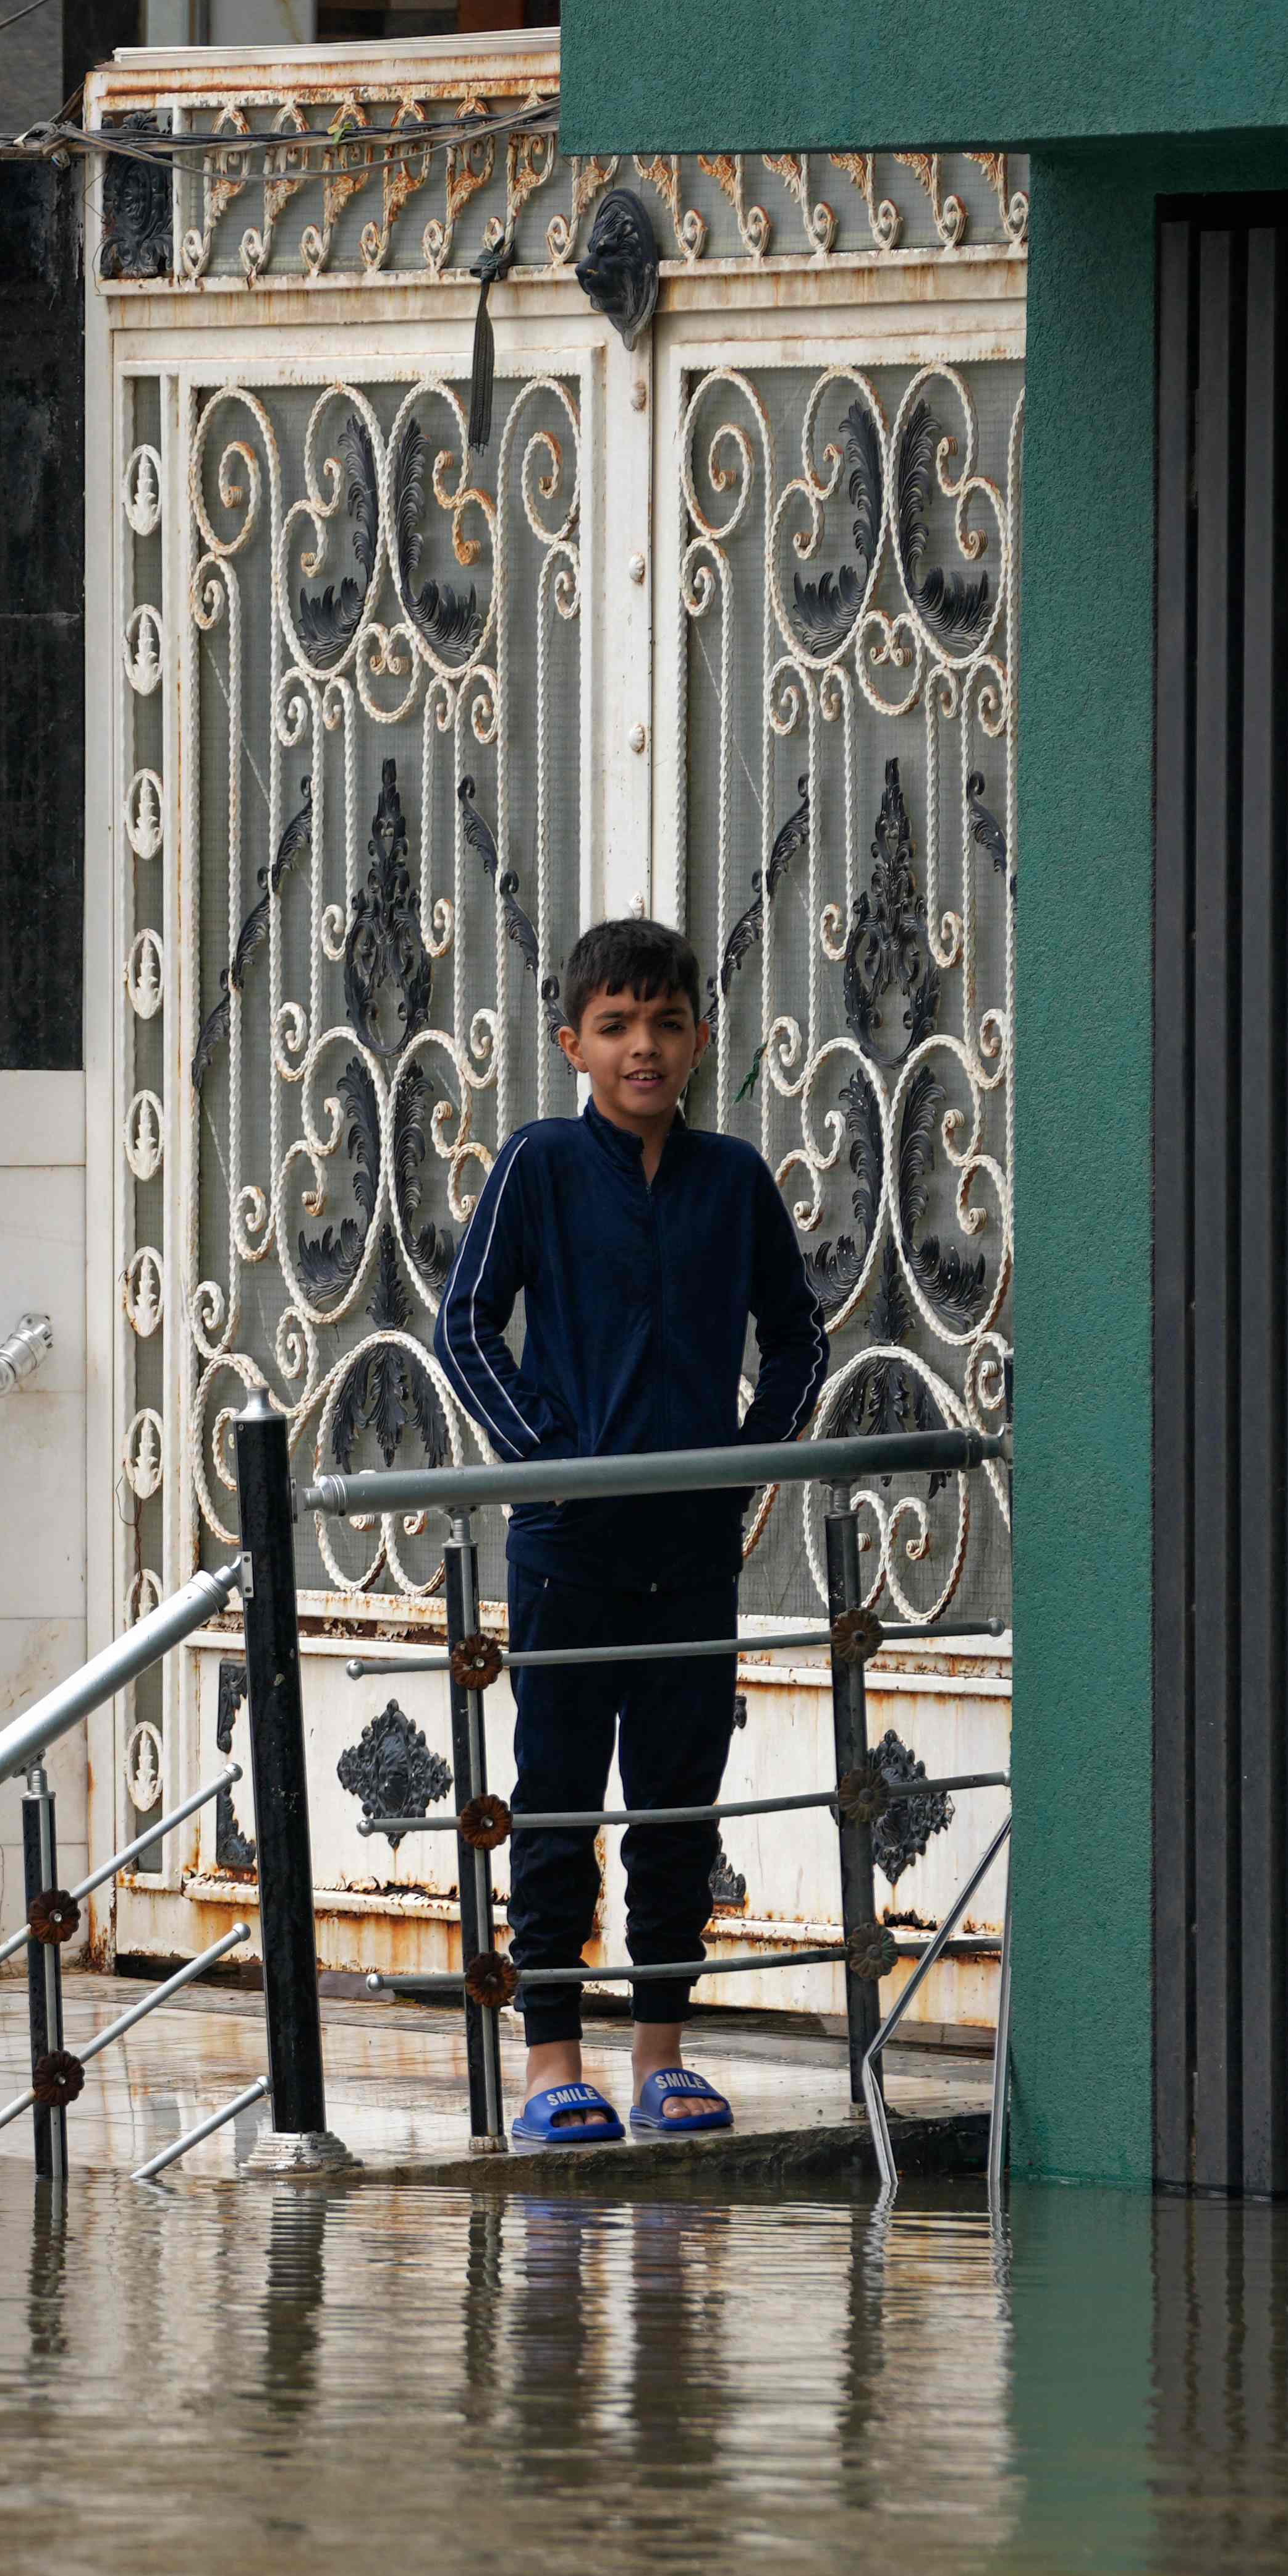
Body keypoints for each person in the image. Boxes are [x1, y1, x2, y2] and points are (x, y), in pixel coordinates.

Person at [433, 915, 828, 2147]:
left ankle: (663, 2053)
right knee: (554, 1802)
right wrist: (547, 1456)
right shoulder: (542, 1164)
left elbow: (800, 1338)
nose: (643, 1046)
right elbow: (466, 1325)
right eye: (616, 1026)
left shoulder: (733, 1179)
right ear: (574, 1043)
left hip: (691, 1556)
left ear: (701, 1037)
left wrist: (743, 1466)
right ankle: (555, 2054)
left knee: (676, 1806)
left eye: (665, 1022)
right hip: (567, 1549)